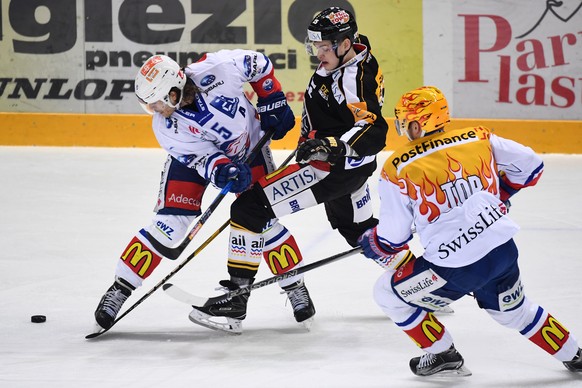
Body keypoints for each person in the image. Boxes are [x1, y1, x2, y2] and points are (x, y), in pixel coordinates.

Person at [189, 6, 397, 333]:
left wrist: (330, 146)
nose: (318, 53)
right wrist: (308, 136)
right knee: (357, 230)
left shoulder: (354, 77)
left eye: (325, 47)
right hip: (353, 168)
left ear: (345, 43)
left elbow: (372, 128)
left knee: (248, 207)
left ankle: (236, 301)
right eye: (315, 46)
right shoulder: (351, 58)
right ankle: (417, 277)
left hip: (331, 169)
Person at [357, 85, 582, 376]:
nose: (404, 130)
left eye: (405, 122)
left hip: (453, 269)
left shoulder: (397, 167)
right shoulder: (478, 137)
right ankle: (573, 353)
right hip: (501, 252)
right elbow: (532, 166)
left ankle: (441, 354)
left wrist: (374, 243)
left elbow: (393, 237)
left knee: (386, 293)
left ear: (416, 123)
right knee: (516, 312)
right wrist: (498, 194)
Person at [92, 51, 297, 331]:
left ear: (173, 91)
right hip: (193, 162)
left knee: (264, 221)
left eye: (157, 103)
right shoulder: (166, 127)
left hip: (250, 148)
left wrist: (271, 96)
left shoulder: (217, 68)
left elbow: (258, 64)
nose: (156, 111)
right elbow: (202, 158)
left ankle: (294, 285)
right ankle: (120, 288)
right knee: (169, 227)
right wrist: (222, 170)